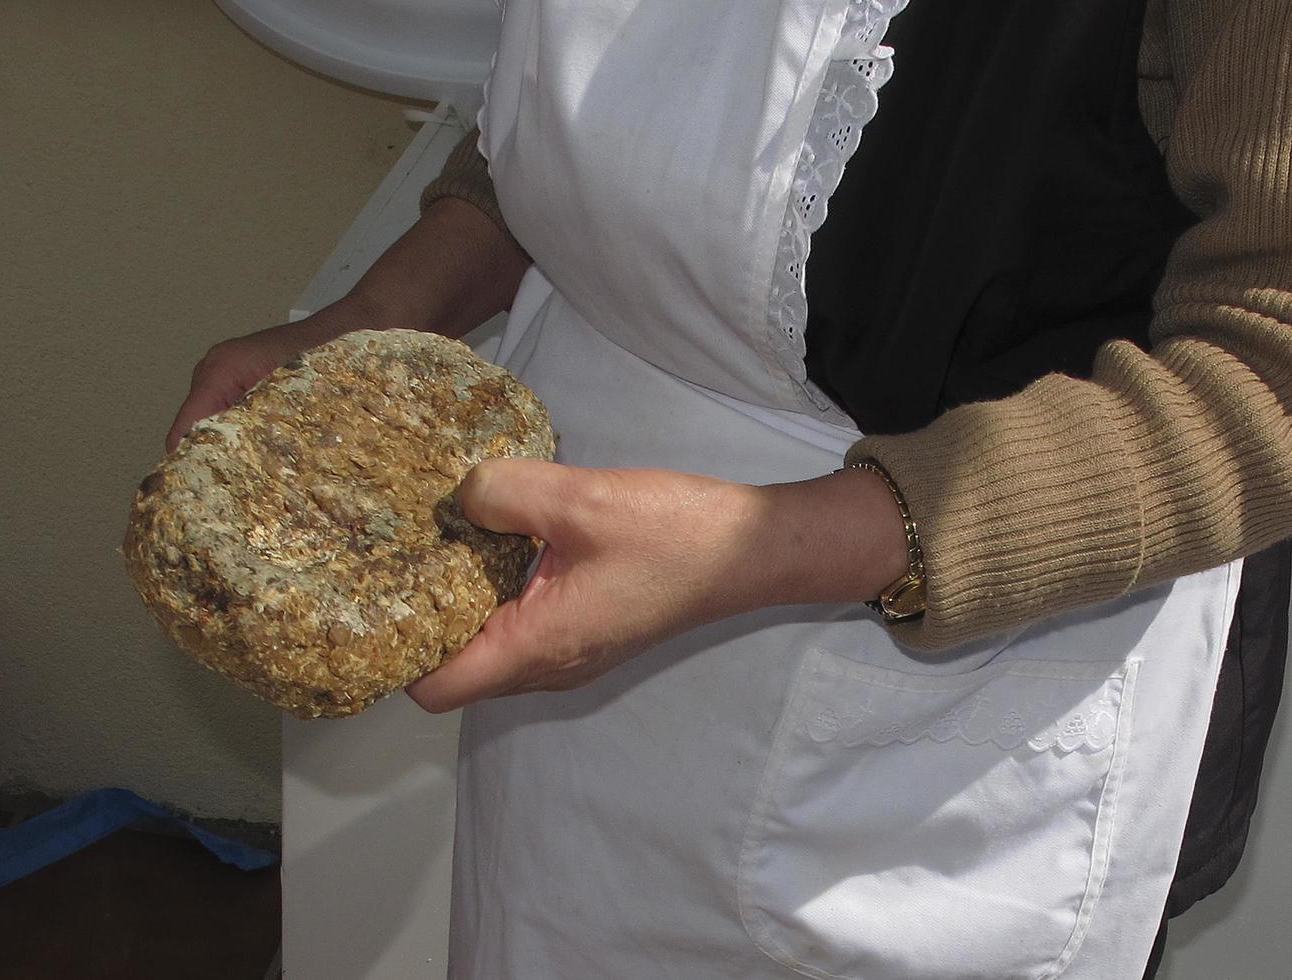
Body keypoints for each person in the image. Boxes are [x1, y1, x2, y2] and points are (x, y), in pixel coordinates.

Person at [168, 0, 1292, 976]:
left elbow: (1269, 360)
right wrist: (379, 316)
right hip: (573, 627)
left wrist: (763, 545)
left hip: (938, 708)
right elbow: (605, 114)